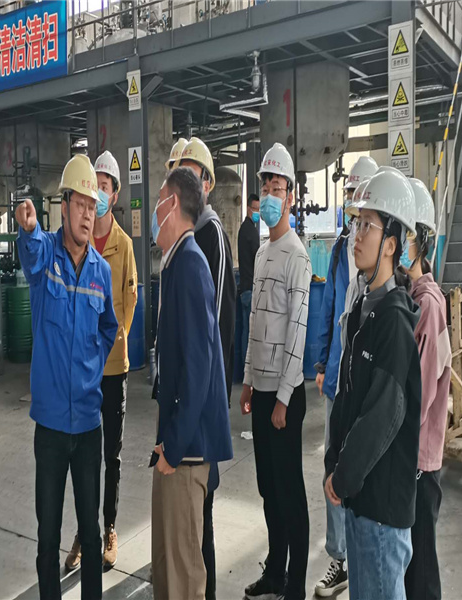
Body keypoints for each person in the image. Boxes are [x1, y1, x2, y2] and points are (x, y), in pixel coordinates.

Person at [15, 154, 118, 600]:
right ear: (64, 206)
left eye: (93, 207)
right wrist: (28, 227)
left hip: (89, 425)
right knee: (48, 536)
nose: (87, 215)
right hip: (52, 427)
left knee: (91, 535)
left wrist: (91, 365)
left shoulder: (101, 271)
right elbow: (31, 247)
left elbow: (108, 327)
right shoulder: (45, 259)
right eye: (80, 205)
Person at [324, 167, 422, 600]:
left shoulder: (395, 323)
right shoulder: (364, 309)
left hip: (381, 508)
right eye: (355, 223)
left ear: (392, 244)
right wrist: (334, 463)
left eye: (367, 225)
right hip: (359, 501)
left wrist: (343, 475)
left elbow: (382, 415)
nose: (356, 235)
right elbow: (346, 400)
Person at [150, 166, 233, 600]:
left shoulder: (192, 264)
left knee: (183, 577)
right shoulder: (176, 262)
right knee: (167, 569)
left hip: (187, 450)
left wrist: (176, 445)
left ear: (174, 205)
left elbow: (200, 367)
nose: (154, 210)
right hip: (175, 445)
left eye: (159, 200)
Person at [240, 143, 311, 600]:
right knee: (268, 488)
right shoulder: (264, 251)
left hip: (286, 396)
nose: (269, 193)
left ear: (290, 196)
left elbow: (297, 332)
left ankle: (295, 586)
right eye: (265, 186)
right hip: (262, 390)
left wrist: (283, 398)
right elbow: (256, 324)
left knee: (290, 493)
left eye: (277, 187)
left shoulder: (296, 255)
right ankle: (275, 572)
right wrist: (249, 380)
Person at [64, 151, 138, 571]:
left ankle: (109, 528)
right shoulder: (78, 241)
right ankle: (84, 530)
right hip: (81, 370)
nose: (100, 194)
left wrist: (106, 343)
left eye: (106, 186)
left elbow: (128, 304)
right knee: (84, 456)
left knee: (112, 455)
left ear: (115, 193)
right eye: (96, 187)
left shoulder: (123, 246)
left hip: (112, 368)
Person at [313, 155, 378, 598]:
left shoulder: (381, 262)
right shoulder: (341, 249)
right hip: (337, 379)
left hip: (364, 387)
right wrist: (322, 363)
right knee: (333, 466)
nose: (353, 206)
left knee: (362, 469)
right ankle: (339, 559)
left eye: (360, 197)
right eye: (349, 196)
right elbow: (329, 310)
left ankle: (362, 554)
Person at [174, 137, 236, 600]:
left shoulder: (209, 236)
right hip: (189, 397)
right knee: (192, 512)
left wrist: (196, 403)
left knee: (202, 510)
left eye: (192, 174)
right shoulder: (189, 237)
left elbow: (207, 334)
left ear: (208, 184)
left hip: (203, 400)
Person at [403, 178, 451, 600]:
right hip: (413, 454)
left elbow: (418, 398)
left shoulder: (428, 306)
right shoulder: (412, 297)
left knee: (420, 569)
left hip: (419, 458)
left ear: (420, 241)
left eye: (404, 232)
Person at [238, 193, 260, 369]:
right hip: (250, 288)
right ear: (248, 209)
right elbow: (258, 260)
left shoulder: (243, 229)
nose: (258, 212)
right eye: (255, 209)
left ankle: (244, 366)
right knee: (250, 332)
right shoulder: (251, 232)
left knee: (246, 329)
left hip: (244, 286)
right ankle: (248, 368)